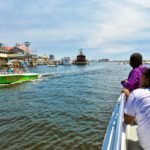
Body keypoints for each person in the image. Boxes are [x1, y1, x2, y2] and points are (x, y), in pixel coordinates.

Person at [124, 68, 150, 150]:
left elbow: (127, 121)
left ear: (148, 80)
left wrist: (129, 97)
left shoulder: (137, 93)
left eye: (142, 77)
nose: (139, 80)